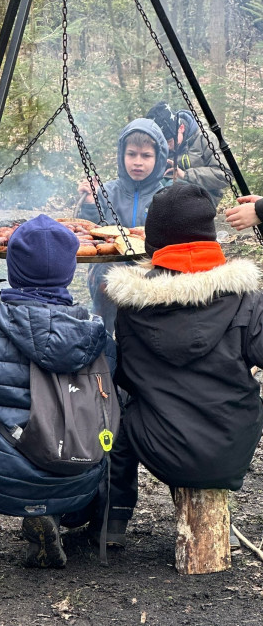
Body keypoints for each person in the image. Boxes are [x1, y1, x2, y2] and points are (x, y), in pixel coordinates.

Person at [0, 214, 116, 567]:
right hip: (77, 477)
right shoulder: (97, 336)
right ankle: (68, 515)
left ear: (12, 269)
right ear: (70, 271)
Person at [101, 182, 263, 547]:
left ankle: (113, 517)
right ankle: (218, 518)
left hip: (162, 448)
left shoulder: (131, 305)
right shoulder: (248, 299)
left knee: (120, 410)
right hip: (232, 447)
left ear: (154, 241)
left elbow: (124, 373)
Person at [77, 118, 168, 332]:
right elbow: (92, 232)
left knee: (141, 326)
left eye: (146, 156)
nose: (138, 162)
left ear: (159, 158)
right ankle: (104, 339)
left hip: (149, 269)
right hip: (107, 274)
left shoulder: (166, 195)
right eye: (132, 154)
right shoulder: (108, 191)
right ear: (122, 155)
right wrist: (90, 203)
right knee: (106, 283)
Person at [146, 101, 230, 206]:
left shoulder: (204, 138)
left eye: (169, 141)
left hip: (204, 195)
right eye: (162, 142)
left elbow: (225, 174)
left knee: (172, 191)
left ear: (181, 128)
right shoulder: (157, 145)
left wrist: (186, 175)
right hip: (167, 191)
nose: (166, 147)